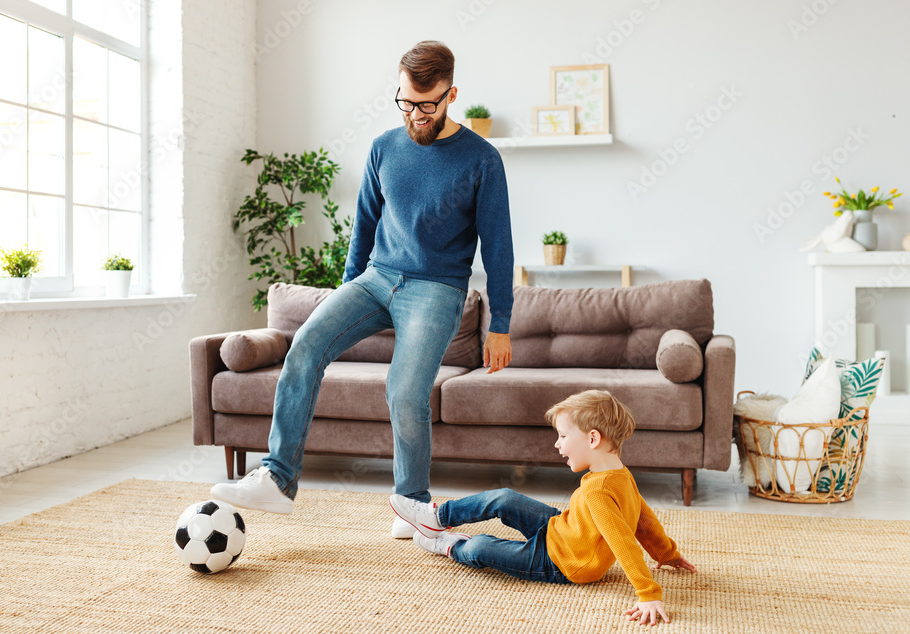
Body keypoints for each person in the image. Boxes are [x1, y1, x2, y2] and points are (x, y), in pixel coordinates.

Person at [211, 40, 515, 540]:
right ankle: (277, 478)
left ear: (451, 94)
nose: (415, 115)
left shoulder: (481, 160)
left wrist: (499, 325)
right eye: (405, 102)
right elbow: (365, 224)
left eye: (426, 104)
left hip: (436, 287)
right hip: (375, 277)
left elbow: (498, 247)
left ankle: (411, 505)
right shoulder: (383, 148)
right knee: (305, 346)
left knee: (404, 390)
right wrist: (346, 291)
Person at [389, 390, 696, 626]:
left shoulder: (599, 491)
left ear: (592, 438)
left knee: (481, 547)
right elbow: (645, 521)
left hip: (560, 563)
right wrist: (667, 554)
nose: (557, 445)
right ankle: (437, 516)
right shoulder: (620, 475)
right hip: (559, 529)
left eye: (563, 436)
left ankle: (450, 546)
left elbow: (625, 541)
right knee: (505, 498)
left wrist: (648, 593)